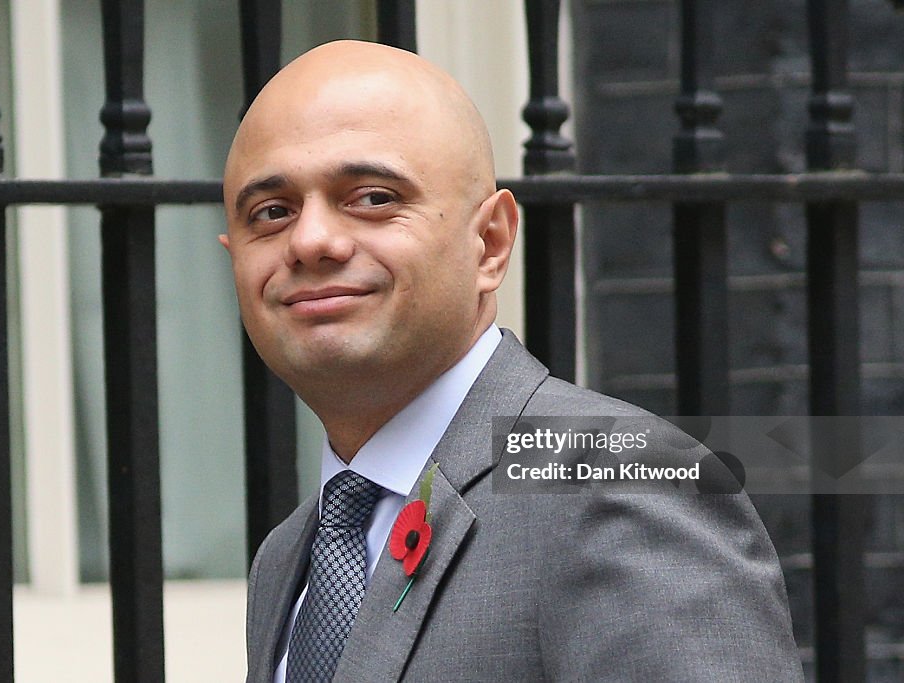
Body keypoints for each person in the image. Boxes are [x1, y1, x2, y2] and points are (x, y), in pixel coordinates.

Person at [221, 40, 803, 683]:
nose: (311, 241)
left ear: (490, 243)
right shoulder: (288, 557)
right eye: (271, 213)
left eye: (373, 197)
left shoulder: (617, 485)